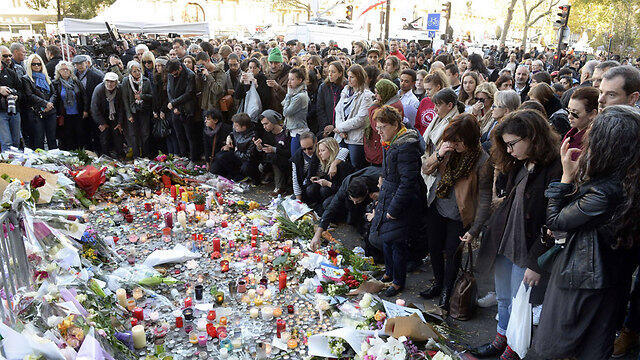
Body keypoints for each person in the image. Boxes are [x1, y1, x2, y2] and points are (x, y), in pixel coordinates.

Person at [535, 105, 640, 360]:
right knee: (594, 342)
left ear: (607, 144)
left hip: (583, 277)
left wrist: (566, 177)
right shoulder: (629, 180)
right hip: (611, 277)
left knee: (557, 346)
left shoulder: (604, 192)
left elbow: (556, 220)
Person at [473, 109, 562, 360]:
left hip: (527, 249)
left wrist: (536, 262)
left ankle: (512, 348)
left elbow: (552, 223)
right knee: (503, 298)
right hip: (505, 241)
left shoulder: (555, 169)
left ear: (532, 137)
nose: (509, 150)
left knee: (519, 303)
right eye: (506, 145)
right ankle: (501, 339)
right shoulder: (520, 162)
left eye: (512, 144)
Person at [419, 114, 494, 309]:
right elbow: (426, 169)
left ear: (470, 139)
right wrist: (439, 154)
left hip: (460, 214)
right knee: (434, 248)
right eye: (451, 140)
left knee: (452, 254)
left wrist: (475, 228)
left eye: (458, 141)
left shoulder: (483, 160)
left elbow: (485, 198)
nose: (454, 145)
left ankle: (447, 289)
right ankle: (438, 283)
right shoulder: (447, 149)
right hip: (437, 205)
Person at [368, 105, 422, 297]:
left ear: (395, 124)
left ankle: (398, 281)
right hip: (389, 193)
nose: (379, 131)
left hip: (400, 200)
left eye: (382, 127)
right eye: (377, 127)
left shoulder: (405, 146)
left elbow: (408, 182)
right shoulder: (393, 142)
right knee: (386, 238)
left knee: (396, 241)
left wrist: (394, 208)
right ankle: (389, 272)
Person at [310, 166, 383, 256]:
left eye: (358, 200)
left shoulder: (378, 177)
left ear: (367, 192)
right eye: (353, 200)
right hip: (356, 198)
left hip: (376, 198)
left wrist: (381, 194)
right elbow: (331, 209)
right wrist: (317, 234)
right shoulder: (346, 184)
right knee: (349, 220)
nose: (355, 203)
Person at [334, 64, 374, 169]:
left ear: (359, 77)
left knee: (355, 164)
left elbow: (361, 119)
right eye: (348, 77)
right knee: (340, 164)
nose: (349, 80)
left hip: (356, 138)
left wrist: (340, 128)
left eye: (352, 77)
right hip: (341, 135)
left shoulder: (367, 95)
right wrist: (340, 130)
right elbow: (338, 110)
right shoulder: (346, 91)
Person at [303, 137, 354, 213]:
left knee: (325, 192)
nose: (320, 154)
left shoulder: (342, 166)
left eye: (322, 150)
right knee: (312, 189)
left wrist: (328, 183)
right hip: (333, 190)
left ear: (331, 149)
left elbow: (344, 189)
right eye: (319, 151)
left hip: (346, 195)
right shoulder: (328, 162)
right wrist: (319, 179)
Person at [209, 112, 259, 183]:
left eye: (237, 126)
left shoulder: (253, 136)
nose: (234, 127)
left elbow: (248, 156)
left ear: (244, 127)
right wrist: (229, 137)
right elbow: (233, 134)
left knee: (245, 167)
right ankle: (230, 175)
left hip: (245, 160)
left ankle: (240, 176)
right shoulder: (237, 130)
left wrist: (236, 151)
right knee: (218, 159)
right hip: (236, 154)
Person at [364, 79, 404, 166]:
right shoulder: (386, 103)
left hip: (384, 148)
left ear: (385, 92)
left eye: (377, 93)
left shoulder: (393, 106)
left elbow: (376, 125)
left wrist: (373, 107)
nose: (375, 95)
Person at [52, 61, 89, 150]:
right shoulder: (56, 83)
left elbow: (84, 96)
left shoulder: (76, 82)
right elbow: (55, 98)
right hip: (64, 115)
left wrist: (85, 110)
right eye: (62, 69)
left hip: (78, 113)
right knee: (66, 136)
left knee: (79, 135)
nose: (65, 71)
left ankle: (79, 154)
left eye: (67, 69)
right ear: (58, 71)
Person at [23, 54, 57, 150]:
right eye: (34, 64)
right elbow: (30, 95)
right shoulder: (26, 79)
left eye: (39, 64)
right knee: (39, 138)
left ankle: (55, 160)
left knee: (52, 138)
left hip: (50, 111)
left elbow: (54, 93)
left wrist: (49, 104)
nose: (37, 66)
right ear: (30, 65)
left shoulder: (46, 77)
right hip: (36, 112)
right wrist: (45, 103)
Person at [166, 58, 198, 161]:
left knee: (190, 137)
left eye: (175, 74)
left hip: (186, 110)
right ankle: (183, 157)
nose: (173, 75)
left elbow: (189, 94)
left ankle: (193, 159)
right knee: (179, 135)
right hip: (175, 110)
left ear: (179, 68)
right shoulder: (171, 74)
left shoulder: (190, 75)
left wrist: (175, 104)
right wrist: (174, 106)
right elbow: (169, 90)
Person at [121, 60, 153, 158]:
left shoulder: (146, 81)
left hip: (144, 110)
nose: (137, 73)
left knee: (145, 133)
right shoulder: (126, 81)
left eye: (139, 70)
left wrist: (142, 96)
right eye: (134, 71)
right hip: (132, 110)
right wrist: (129, 115)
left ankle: (145, 154)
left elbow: (151, 96)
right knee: (133, 134)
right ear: (130, 72)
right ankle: (136, 156)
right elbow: (125, 99)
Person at [255, 110, 291, 196]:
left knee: (274, 157)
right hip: (269, 160)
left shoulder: (286, 133)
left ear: (274, 122)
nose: (264, 127)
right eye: (263, 124)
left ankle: (280, 186)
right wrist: (259, 147)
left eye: (266, 124)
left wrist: (274, 150)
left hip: (285, 160)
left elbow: (290, 152)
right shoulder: (267, 134)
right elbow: (264, 149)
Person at [91, 72, 126, 158]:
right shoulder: (99, 89)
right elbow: (94, 108)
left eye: (112, 81)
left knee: (117, 134)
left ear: (116, 82)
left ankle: (120, 155)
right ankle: (105, 155)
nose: (109, 84)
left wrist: (119, 122)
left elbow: (122, 106)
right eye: (108, 81)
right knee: (104, 135)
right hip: (102, 115)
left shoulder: (119, 89)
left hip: (115, 115)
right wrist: (102, 123)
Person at [563, 86, 599, 157]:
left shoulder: (593, 143)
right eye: (569, 111)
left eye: (575, 113)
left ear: (592, 114)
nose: (569, 117)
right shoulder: (571, 133)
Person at [282, 67, 310, 155]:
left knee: (296, 158)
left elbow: (285, 112)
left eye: (292, 79)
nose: (289, 82)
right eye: (289, 79)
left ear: (300, 80)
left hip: (299, 131)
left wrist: (288, 95)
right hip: (293, 129)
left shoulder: (300, 96)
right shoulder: (295, 93)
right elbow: (283, 104)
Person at [316, 61, 345, 140]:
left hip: (340, 128)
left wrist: (335, 126)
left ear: (340, 74)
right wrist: (326, 125)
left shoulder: (345, 88)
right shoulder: (323, 87)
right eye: (329, 71)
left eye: (333, 72)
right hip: (326, 128)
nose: (330, 74)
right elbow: (320, 108)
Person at [415, 70, 449, 136]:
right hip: (422, 139)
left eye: (429, 89)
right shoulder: (424, 101)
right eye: (426, 89)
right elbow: (418, 124)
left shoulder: (444, 103)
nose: (427, 92)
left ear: (438, 87)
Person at [0, 54, 23, 151]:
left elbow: (21, 90)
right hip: (1, 113)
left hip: (14, 110)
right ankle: (8, 165)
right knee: (6, 142)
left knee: (16, 142)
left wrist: (16, 96)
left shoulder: (10, 72)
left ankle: (16, 165)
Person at [265, 47, 291, 113]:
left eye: (276, 63)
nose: (273, 66)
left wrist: (277, 87)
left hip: (282, 110)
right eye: (271, 63)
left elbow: (288, 96)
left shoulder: (288, 75)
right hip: (269, 109)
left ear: (281, 62)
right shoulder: (266, 73)